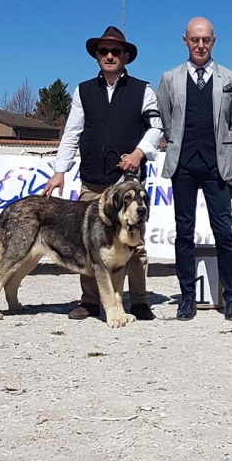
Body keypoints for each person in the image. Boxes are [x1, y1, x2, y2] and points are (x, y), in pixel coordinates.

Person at [43, 26, 163, 322]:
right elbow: (72, 132)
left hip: (128, 186)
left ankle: (139, 300)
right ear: (97, 56)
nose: (109, 56)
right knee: (91, 243)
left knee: (135, 243)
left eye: (115, 51)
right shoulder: (83, 90)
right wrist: (59, 171)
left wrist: (138, 153)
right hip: (92, 182)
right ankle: (90, 301)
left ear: (125, 57)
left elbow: (157, 127)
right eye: (103, 51)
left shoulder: (143, 89)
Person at [157, 17, 232, 321]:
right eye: (195, 40)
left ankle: (231, 296)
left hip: (216, 166)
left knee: (224, 231)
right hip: (182, 165)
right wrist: (177, 142)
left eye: (206, 39)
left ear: (214, 41)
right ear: (185, 41)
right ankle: (187, 297)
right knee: (184, 233)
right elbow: (167, 121)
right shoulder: (169, 79)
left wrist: (224, 148)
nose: (200, 45)